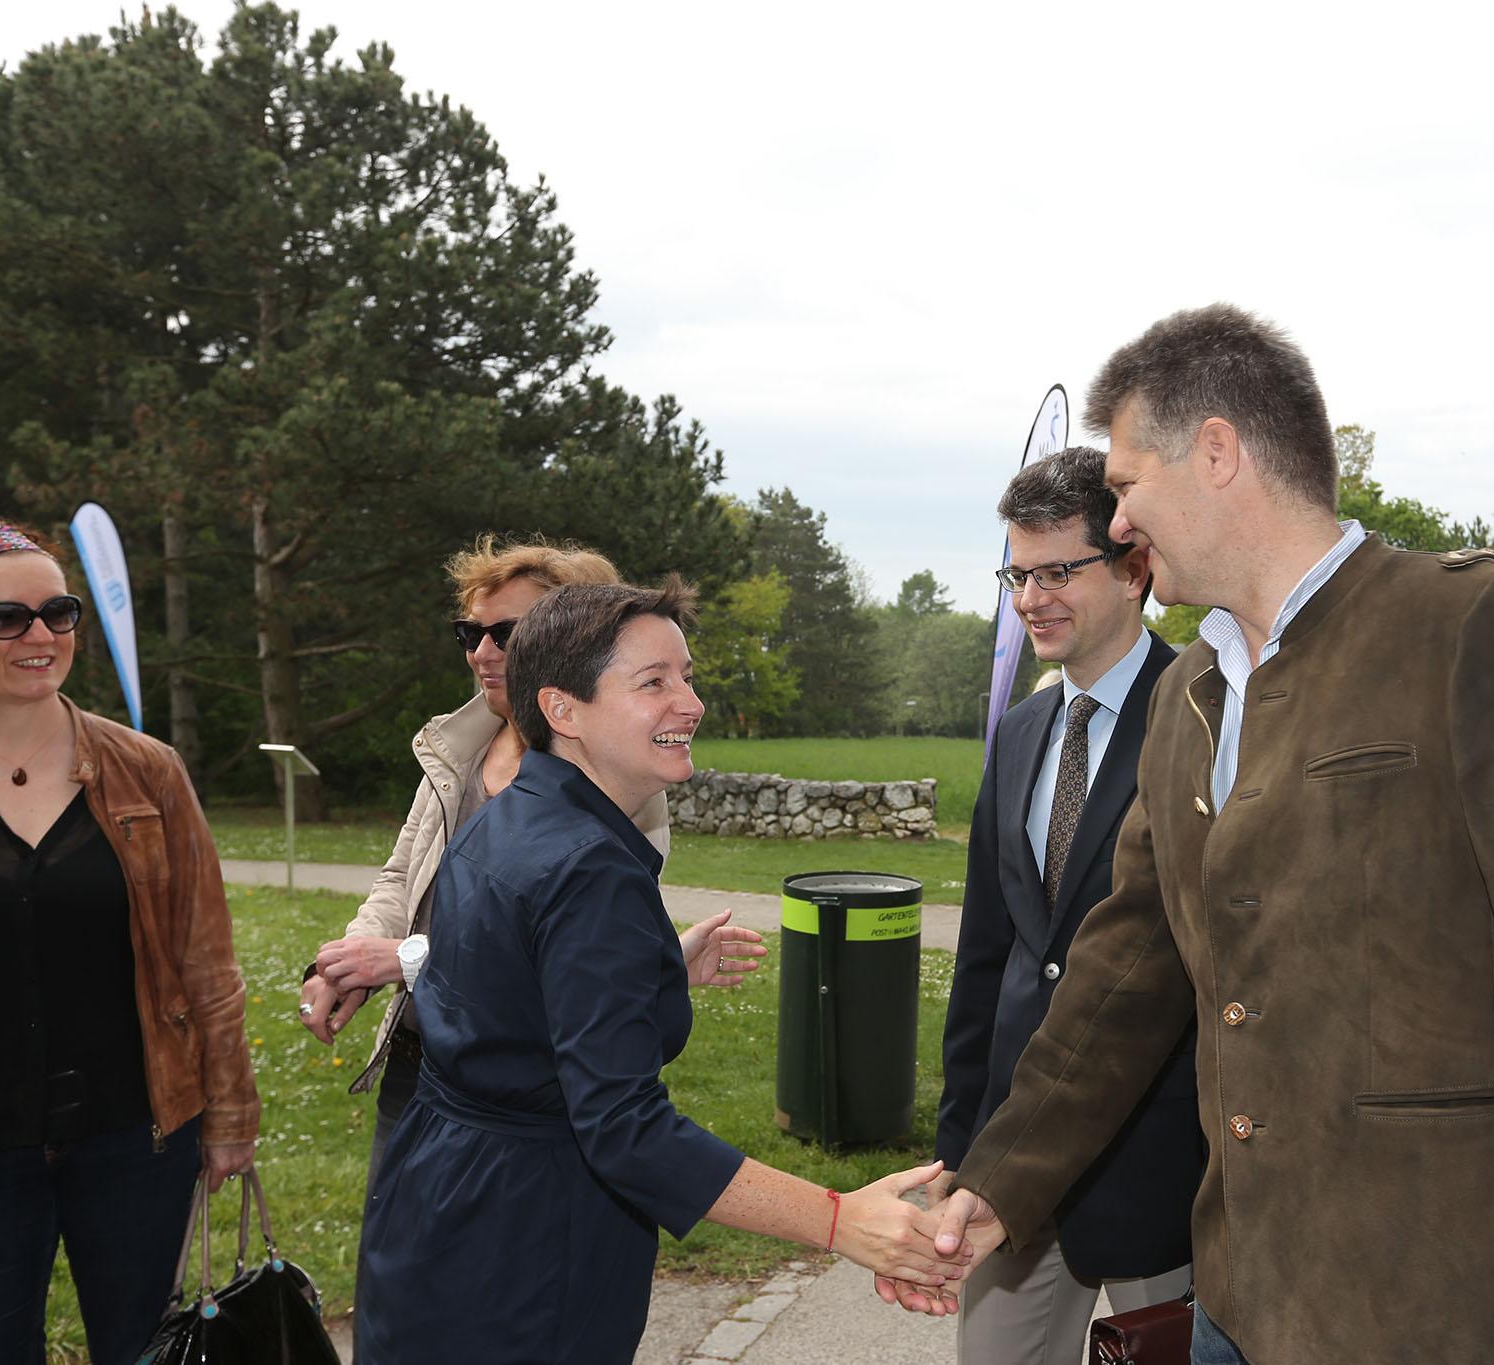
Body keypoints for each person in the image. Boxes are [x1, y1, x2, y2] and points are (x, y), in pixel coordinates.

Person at [899, 305, 1494, 1362]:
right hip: (1236, 1300)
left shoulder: (1464, 627)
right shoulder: (1192, 695)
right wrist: (1000, 1181)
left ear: (1215, 452)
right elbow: (1121, 972)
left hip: (1432, 1309)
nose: (1116, 524)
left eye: (1123, 487)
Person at [357, 580, 965, 1363]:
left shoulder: (514, 814)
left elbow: (501, 999)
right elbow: (622, 1126)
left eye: (686, 674)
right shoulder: (587, 866)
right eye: (654, 682)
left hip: (435, 1204)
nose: (691, 702)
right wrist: (839, 1217)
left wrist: (650, 970)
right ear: (563, 710)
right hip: (523, 1242)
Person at [295, 537, 763, 1308]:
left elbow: (568, 950)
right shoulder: (462, 748)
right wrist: (349, 958)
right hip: (436, 1071)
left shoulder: (624, 781)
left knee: (468, 1292)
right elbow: (403, 875)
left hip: (526, 1103)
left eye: (505, 633)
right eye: (469, 632)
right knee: (437, 1282)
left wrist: (404, 960)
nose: (483, 651)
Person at [0, 513, 258, 1365]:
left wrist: (232, 1113)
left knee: (145, 1350)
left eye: (58, 612)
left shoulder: (149, 770)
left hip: (137, 1139)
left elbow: (207, 959)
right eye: (4, 617)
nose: (40, 635)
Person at [931, 447, 1199, 1363]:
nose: (1030, 597)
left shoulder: (1207, 717)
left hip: (1166, 1173)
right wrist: (962, 1148)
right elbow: (988, 955)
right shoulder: (1019, 732)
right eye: (1018, 573)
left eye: (1056, 571)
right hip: (1016, 1172)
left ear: (1133, 568)